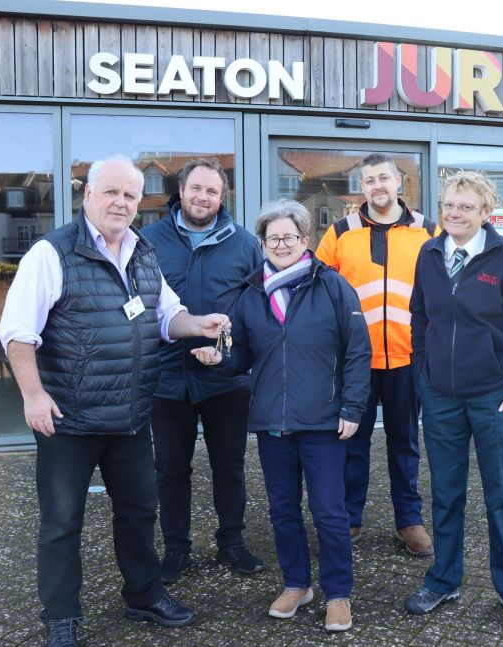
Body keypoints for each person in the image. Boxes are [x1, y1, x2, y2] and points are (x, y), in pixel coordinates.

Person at [0, 155, 231, 647]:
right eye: (112, 192)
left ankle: (143, 596)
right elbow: (17, 334)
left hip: (129, 418)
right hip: (69, 420)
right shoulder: (52, 253)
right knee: (62, 523)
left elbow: (168, 317)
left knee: (138, 512)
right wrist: (34, 396)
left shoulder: (143, 252)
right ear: (88, 194)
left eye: (130, 195)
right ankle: (61, 615)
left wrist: (200, 324)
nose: (122, 203)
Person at [194, 200, 371, 632]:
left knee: (330, 513)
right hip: (273, 421)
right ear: (263, 244)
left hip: (325, 420)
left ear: (305, 240)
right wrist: (218, 359)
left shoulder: (332, 286)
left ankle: (338, 593)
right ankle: (297, 583)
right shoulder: (250, 293)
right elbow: (244, 357)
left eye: (289, 237)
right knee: (283, 511)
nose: (281, 244)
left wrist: (352, 407)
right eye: (272, 238)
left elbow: (358, 352)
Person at [404, 170, 503, 629]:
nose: (454, 213)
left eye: (465, 206)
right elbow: (419, 317)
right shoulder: (428, 253)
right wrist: (424, 374)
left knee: (501, 495)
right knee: (445, 495)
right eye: (448, 204)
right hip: (441, 397)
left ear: (485, 212)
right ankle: (444, 580)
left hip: (493, 397)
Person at [141, 159, 265, 582]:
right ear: (181, 190)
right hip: (167, 376)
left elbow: (254, 310)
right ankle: (176, 549)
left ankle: (231, 543)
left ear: (222, 196)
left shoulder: (245, 244)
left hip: (225, 379)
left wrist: (232, 356)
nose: (203, 197)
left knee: (228, 465)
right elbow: (138, 304)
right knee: (170, 469)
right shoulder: (148, 240)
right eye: (196, 189)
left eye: (212, 191)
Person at [315, 152, 437, 556]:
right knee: (351, 442)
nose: (377, 186)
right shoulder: (340, 232)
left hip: (407, 359)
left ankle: (409, 520)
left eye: (383, 178)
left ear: (399, 181)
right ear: (361, 187)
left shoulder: (428, 231)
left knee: (405, 443)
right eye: (369, 181)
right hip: (355, 363)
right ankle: (349, 518)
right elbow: (317, 289)